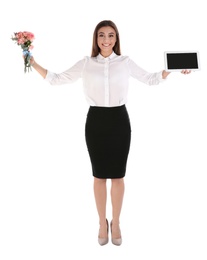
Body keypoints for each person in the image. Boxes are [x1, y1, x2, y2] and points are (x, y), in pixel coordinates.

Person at [27, 20, 191, 246]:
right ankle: (101, 223)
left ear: (116, 39)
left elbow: (151, 79)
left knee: (118, 176)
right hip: (95, 123)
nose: (106, 40)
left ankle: (117, 221)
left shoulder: (125, 62)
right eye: (102, 35)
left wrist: (171, 70)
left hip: (119, 123)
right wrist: (33, 63)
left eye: (111, 35)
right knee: (99, 176)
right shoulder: (86, 63)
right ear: (96, 39)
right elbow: (56, 79)